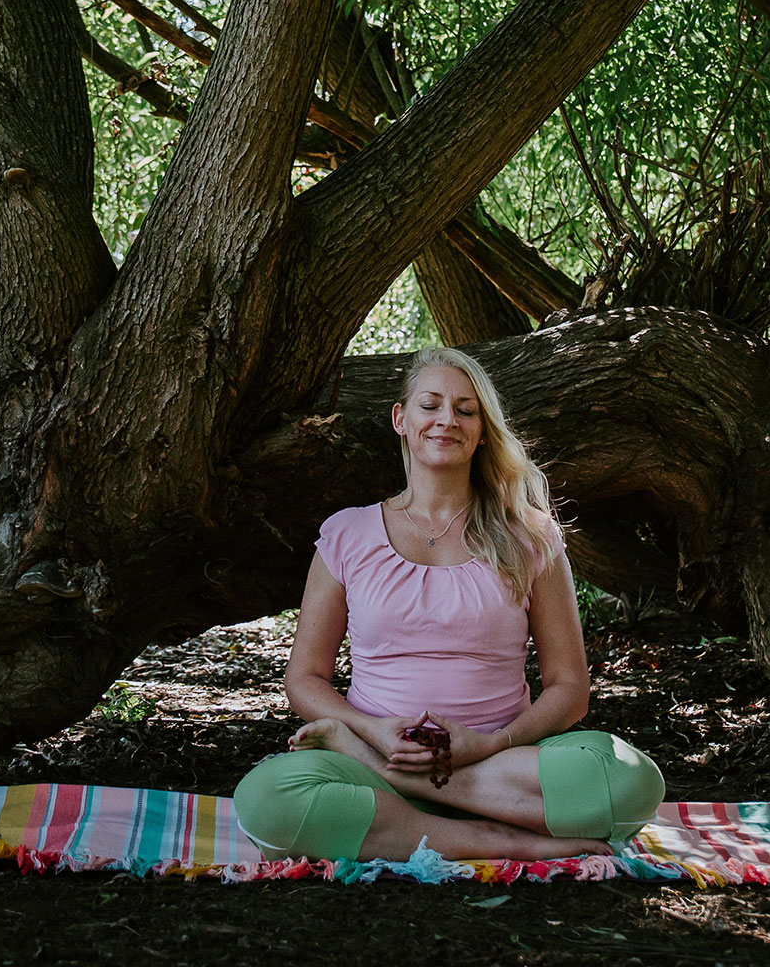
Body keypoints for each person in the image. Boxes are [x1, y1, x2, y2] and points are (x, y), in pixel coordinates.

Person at [233, 347, 665, 862]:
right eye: (430, 405)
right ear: (401, 418)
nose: (447, 420)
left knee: (631, 781)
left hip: (505, 772)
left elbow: (570, 690)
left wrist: (489, 746)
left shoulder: (529, 536)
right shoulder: (348, 533)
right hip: (383, 761)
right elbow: (303, 678)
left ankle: (427, 796)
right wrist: (370, 733)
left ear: (483, 430)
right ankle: (495, 840)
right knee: (265, 799)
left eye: (465, 410)